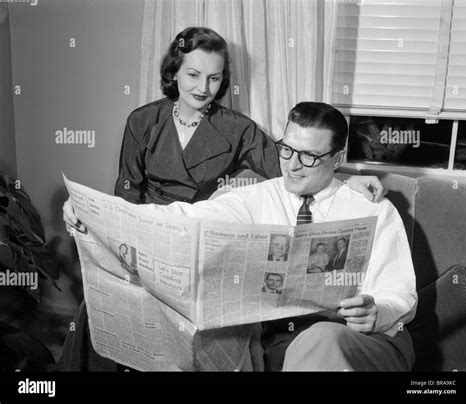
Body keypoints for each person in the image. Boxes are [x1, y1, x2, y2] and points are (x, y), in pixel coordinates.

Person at [65, 101, 417, 372]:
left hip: (362, 338)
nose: (292, 165)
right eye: (287, 149)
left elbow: (401, 292)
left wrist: (377, 311)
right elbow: (184, 218)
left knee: (320, 339)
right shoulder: (259, 197)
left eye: (309, 157)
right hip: (278, 338)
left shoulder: (371, 209)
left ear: (338, 158)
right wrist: (97, 214)